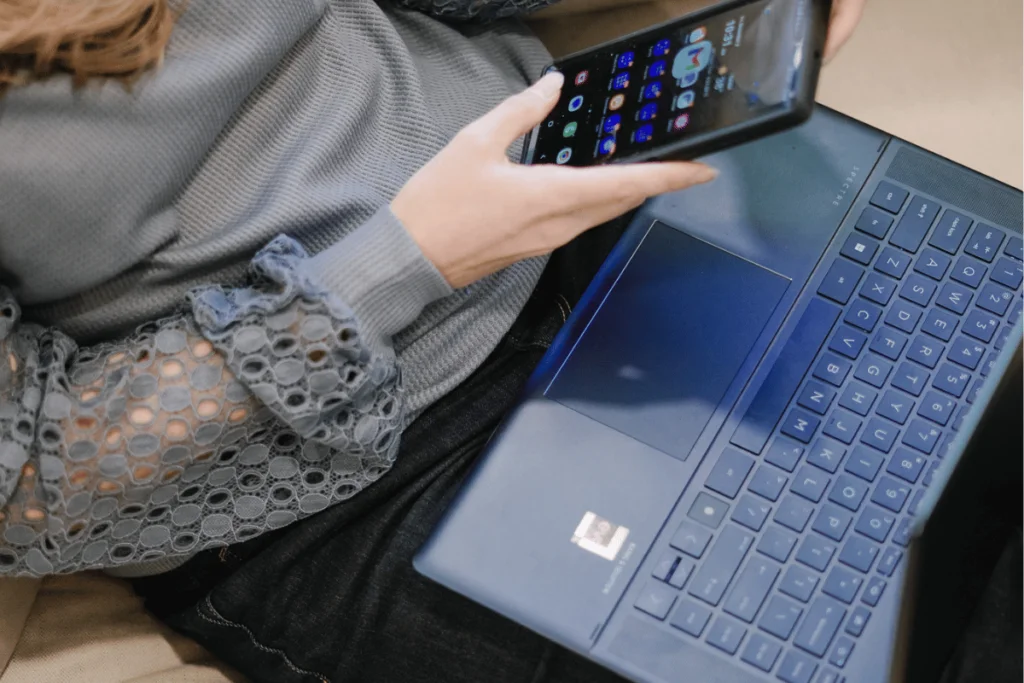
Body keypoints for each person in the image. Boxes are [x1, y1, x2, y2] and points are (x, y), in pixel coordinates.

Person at [0, 0, 867, 680]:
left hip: (561, 147)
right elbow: (35, 478)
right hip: (336, 470)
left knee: (960, 404)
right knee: (819, 631)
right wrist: (405, 258)